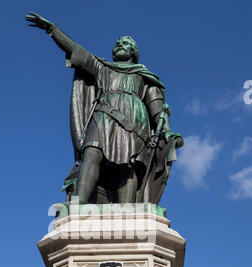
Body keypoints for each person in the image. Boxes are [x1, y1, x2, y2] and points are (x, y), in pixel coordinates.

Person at [26, 12, 183, 204]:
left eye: (125, 43)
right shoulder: (102, 68)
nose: (120, 45)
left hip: (134, 118)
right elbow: (76, 51)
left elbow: (157, 108)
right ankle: (78, 204)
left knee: (128, 165)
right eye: (117, 43)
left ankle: (127, 209)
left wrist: (166, 130)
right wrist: (53, 30)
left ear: (133, 52)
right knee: (91, 153)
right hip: (103, 114)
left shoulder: (143, 76)